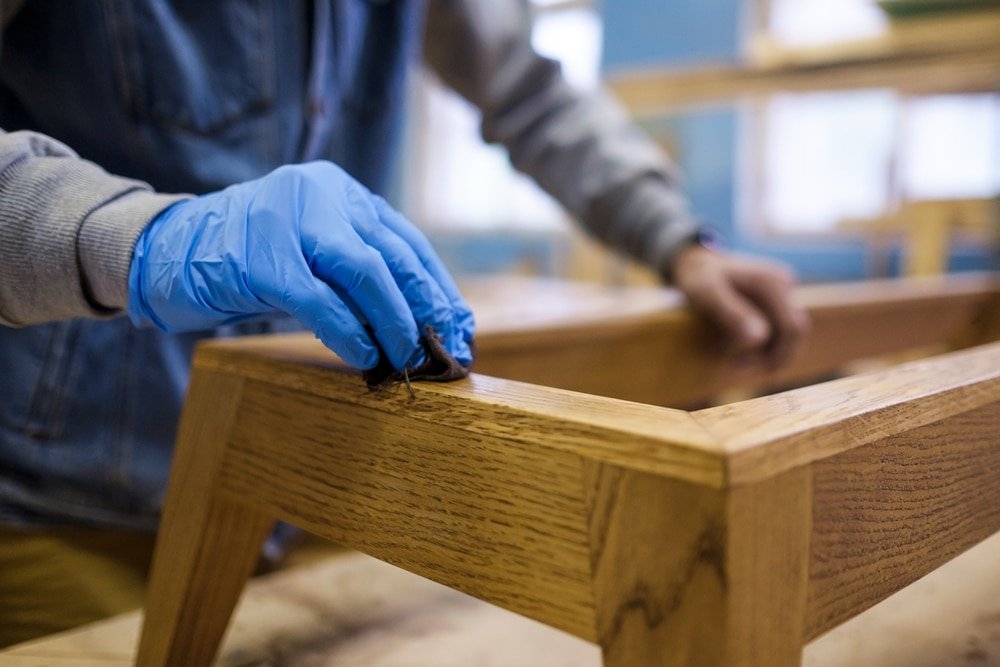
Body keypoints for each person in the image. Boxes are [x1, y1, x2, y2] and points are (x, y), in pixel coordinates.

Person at [0, 0, 809, 647]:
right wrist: (140, 239)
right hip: (69, 493)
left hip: (318, 478)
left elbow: (529, 88)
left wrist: (677, 238)